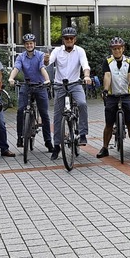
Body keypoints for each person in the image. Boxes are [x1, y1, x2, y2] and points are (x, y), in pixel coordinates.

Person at [45, 27, 92, 161]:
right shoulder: (57, 51)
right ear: (63, 40)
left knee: (82, 103)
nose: (69, 40)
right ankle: (57, 146)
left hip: (75, 84)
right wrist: (46, 60)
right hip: (60, 85)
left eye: (71, 38)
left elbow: (85, 65)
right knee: (58, 116)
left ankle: (82, 133)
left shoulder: (80, 51)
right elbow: (49, 62)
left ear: (75, 39)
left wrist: (87, 76)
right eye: (67, 38)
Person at [8, 33, 54, 152]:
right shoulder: (21, 57)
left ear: (35, 44)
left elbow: (42, 68)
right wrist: (11, 78)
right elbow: (16, 68)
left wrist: (47, 80)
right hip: (27, 85)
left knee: (44, 114)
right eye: (27, 44)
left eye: (31, 43)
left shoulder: (40, 55)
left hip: (40, 86)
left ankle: (48, 142)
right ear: (24, 45)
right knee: (20, 110)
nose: (29, 45)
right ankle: (19, 137)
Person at [97, 37, 130, 159]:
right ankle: (105, 148)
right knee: (109, 124)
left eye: (119, 48)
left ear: (123, 49)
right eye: (114, 49)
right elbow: (107, 75)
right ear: (111, 50)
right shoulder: (108, 61)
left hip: (125, 95)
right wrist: (105, 90)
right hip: (112, 96)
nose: (116, 51)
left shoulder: (129, 61)